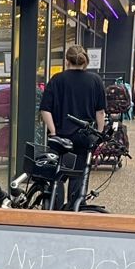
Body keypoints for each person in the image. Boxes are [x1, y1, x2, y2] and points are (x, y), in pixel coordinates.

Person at [38, 44, 106, 207]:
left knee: (57, 176)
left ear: (66, 61)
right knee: (78, 176)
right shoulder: (95, 80)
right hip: (83, 138)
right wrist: (99, 136)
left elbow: (45, 109)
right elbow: (100, 112)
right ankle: (74, 210)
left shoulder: (57, 79)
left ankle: (56, 209)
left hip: (60, 138)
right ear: (85, 60)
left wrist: (53, 132)